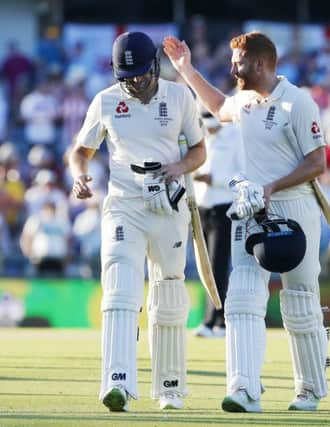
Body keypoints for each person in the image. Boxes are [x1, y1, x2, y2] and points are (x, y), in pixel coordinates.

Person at [164, 32, 329, 412]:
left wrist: (273, 186)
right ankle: (244, 389)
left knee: (300, 303)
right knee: (240, 298)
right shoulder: (246, 102)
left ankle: (309, 389)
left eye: (237, 61)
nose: (232, 67)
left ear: (259, 63)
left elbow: (317, 162)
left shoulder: (297, 103)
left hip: (295, 208)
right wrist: (186, 69)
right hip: (251, 207)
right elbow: (220, 106)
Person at [68, 31, 206, 412]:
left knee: (169, 292)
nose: (134, 83)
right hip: (124, 203)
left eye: (141, 75)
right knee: (119, 288)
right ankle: (117, 382)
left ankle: (170, 388)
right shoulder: (106, 101)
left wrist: (177, 167)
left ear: (155, 67)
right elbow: (80, 151)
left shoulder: (179, 97)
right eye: (126, 77)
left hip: (167, 206)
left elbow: (199, 150)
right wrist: (79, 175)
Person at [192, 111, 244, 338]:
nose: (210, 129)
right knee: (205, 266)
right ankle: (212, 319)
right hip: (202, 207)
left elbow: (242, 175)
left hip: (224, 206)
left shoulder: (235, 137)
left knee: (218, 266)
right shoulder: (202, 136)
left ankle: (219, 321)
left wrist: (216, 180)